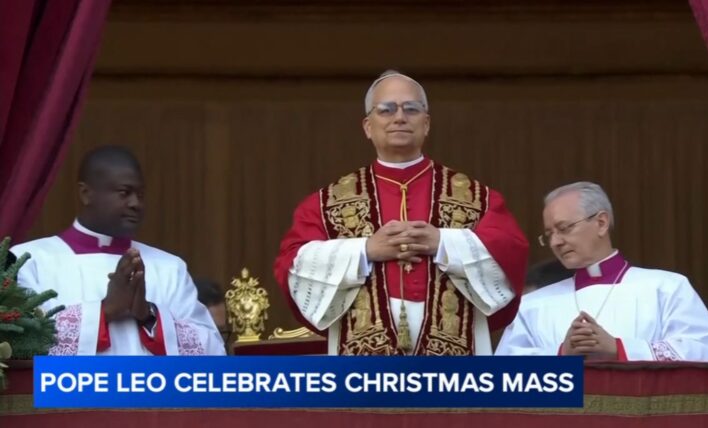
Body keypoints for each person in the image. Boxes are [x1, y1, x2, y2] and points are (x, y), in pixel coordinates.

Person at [274, 70, 529, 355]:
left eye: (411, 109)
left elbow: (511, 252)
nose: (399, 117)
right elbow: (292, 265)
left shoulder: (476, 197)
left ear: (427, 123)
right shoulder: (326, 202)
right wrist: (365, 250)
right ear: (368, 126)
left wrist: (443, 243)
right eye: (386, 110)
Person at [11, 145, 225, 355]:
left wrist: (149, 314)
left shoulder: (170, 268)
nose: (136, 203)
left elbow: (213, 350)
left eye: (140, 195)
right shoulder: (27, 261)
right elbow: (20, 343)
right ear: (86, 193)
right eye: (125, 192)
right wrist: (105, 310)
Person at [495, 181, 708, 361]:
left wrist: (619, 348)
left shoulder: (666, 288)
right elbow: (504, 374)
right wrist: (562, 353)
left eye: (564, 228)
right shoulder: (533, 305)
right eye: (549, 234)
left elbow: (701, 348)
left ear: (601, 222)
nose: (555, 242)